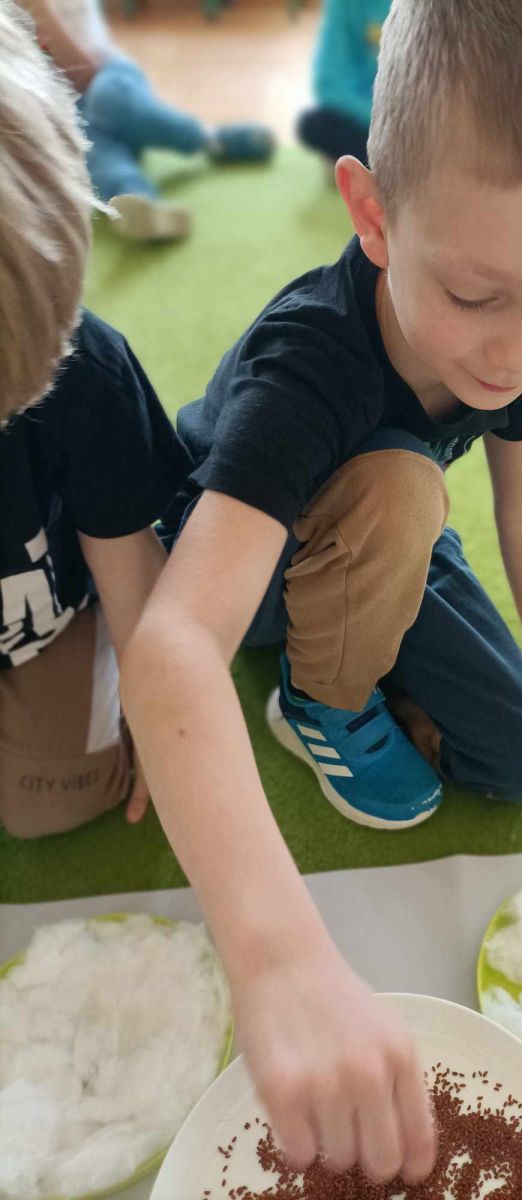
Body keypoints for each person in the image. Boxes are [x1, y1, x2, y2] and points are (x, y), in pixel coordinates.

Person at [121, 0, 522, 1184]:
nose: (518, 351)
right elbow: (175, 642)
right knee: (404, 492)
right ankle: (316, 701)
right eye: (475, 296)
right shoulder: (308, 362)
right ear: (373, 214)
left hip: (384, 524)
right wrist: (281, 962)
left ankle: (367, 632)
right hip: (246, 559)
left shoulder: (519, 329)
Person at [0, 1, 190, 839]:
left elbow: (130, 567)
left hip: (47, 618)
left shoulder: (86, 370)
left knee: (51, 806)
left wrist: (160, 713)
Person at [21, 0, 275, 241]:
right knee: (89, 143)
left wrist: (39, 11)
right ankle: (137, 200)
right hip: (69, 107)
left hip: (106, 75)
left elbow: (84, 73)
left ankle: (209, 139)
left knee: (105, 101)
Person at [296, 0, 390, 168]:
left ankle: (362, 164)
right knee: (312, 125)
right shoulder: (342, 4)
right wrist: (380, 121)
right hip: (367, 116)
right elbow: (328, 82)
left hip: (411, 119)